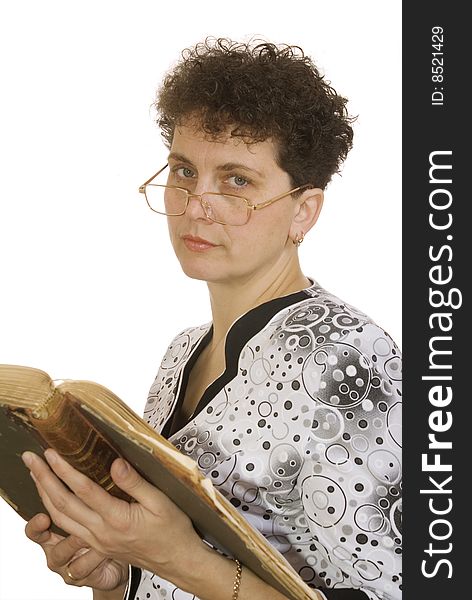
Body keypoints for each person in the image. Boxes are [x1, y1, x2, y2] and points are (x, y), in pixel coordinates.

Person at [21, 38, 402, 600]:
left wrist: (175, 557)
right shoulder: (182, 353)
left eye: (236, 180)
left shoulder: (341, 359)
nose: (195, 202)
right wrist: (117, 573)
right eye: (183, 170)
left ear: (304, 211)